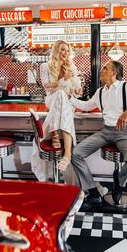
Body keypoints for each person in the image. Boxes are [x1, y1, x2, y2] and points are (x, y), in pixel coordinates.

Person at [69, 60, 127, 210]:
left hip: (125, 133)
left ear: (114, 73)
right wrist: (70, 98)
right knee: (75, 153)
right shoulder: (101, 91)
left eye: (105, 68)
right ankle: (94, 193)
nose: (101, 70)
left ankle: (119, 184)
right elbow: (87, 106)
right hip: (105, 131)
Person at [40, 40, 82, 171]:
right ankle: (68, 152)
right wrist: (62, 80)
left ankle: (55, 135)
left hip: (68, 100)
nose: (66, 53)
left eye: (68, 50)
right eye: (63, 49)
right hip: (51, 98)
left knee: (63, 96)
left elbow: (76, 84)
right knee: (59, 94)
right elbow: (46, 86)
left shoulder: (71, 66)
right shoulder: (45, 66)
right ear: (56, 50)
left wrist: (78, 89)